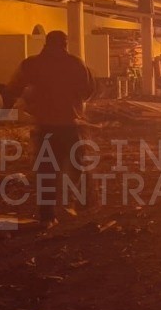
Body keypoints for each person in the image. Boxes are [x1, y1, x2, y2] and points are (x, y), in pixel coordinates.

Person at [7, 31, 95, 229]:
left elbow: (12, 87)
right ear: (65, 44)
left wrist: (30, 100)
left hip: (45, 126)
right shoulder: (76, 63)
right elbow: (88, 90)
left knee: (47, 171)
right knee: (76, 166)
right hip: (69, 125)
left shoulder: (31, 64)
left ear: (46, 43)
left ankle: (47, 217)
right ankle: (74, 204)